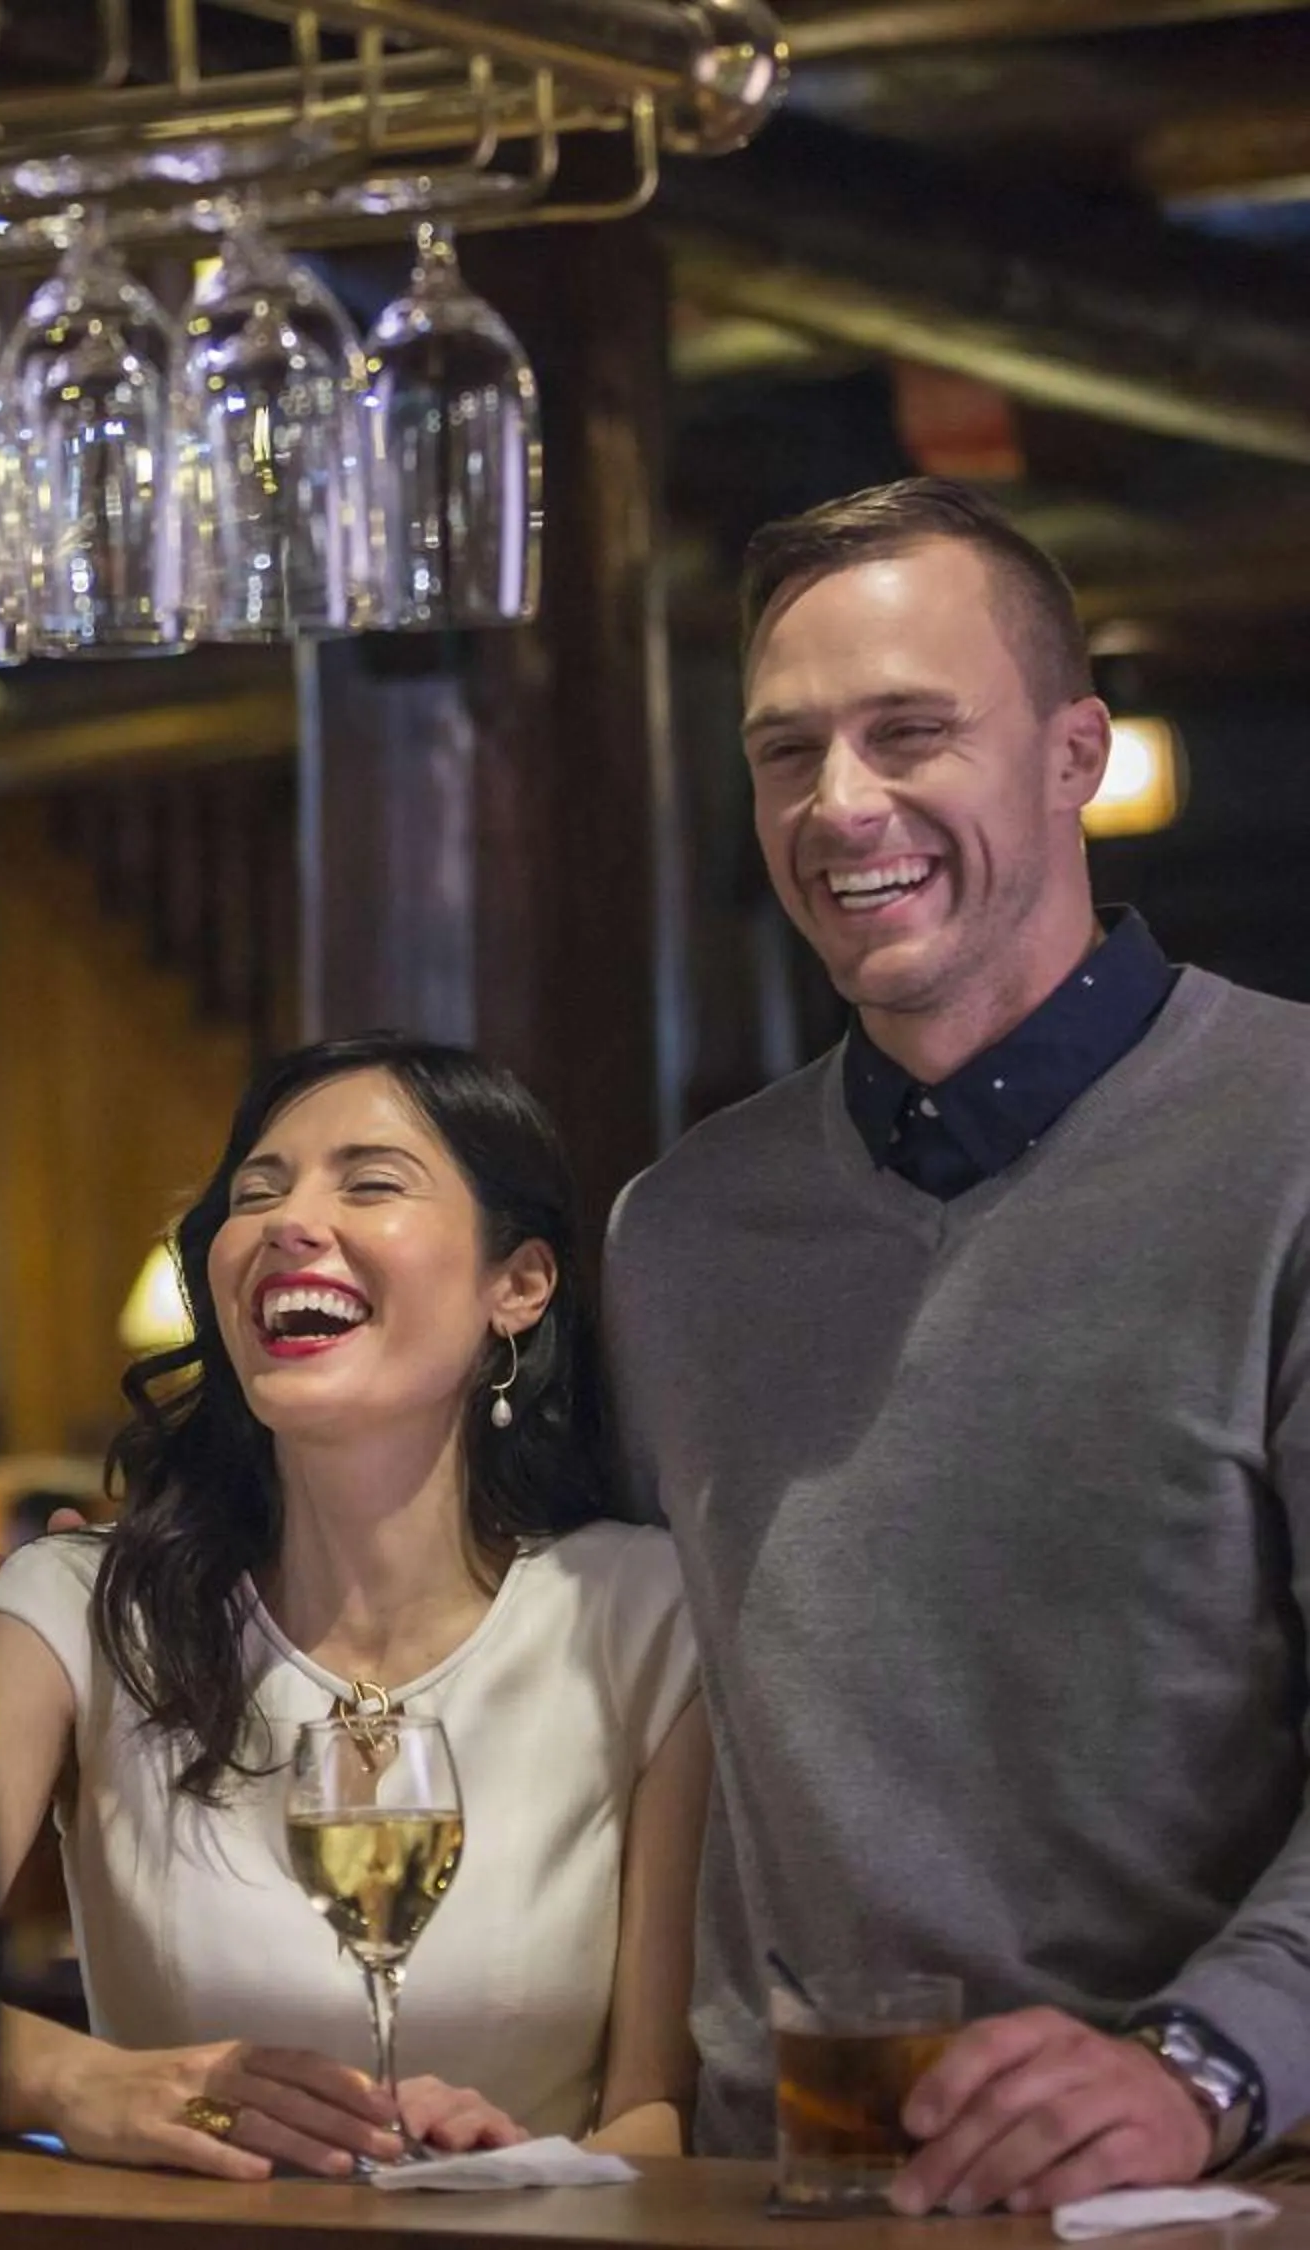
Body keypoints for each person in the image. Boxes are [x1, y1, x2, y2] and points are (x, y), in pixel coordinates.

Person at [606, 476, 1310, 2210]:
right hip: (783, 2190)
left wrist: (1203, 2067)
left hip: (1207, 2186)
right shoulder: (679, 1232)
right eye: (789, 753)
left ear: (1076, 754)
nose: (843, 806)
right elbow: (610, 1652)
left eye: (911, 732)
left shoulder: (1290, 1145)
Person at [0, 1034, 709, 2183]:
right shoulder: (69, 1612)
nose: (287, 1223)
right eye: (257, 1191)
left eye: (370, 1182)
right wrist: (95, 2084)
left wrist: (515, 2170)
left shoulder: (642, 1615)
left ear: (519, 1285)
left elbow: (655, 2116)